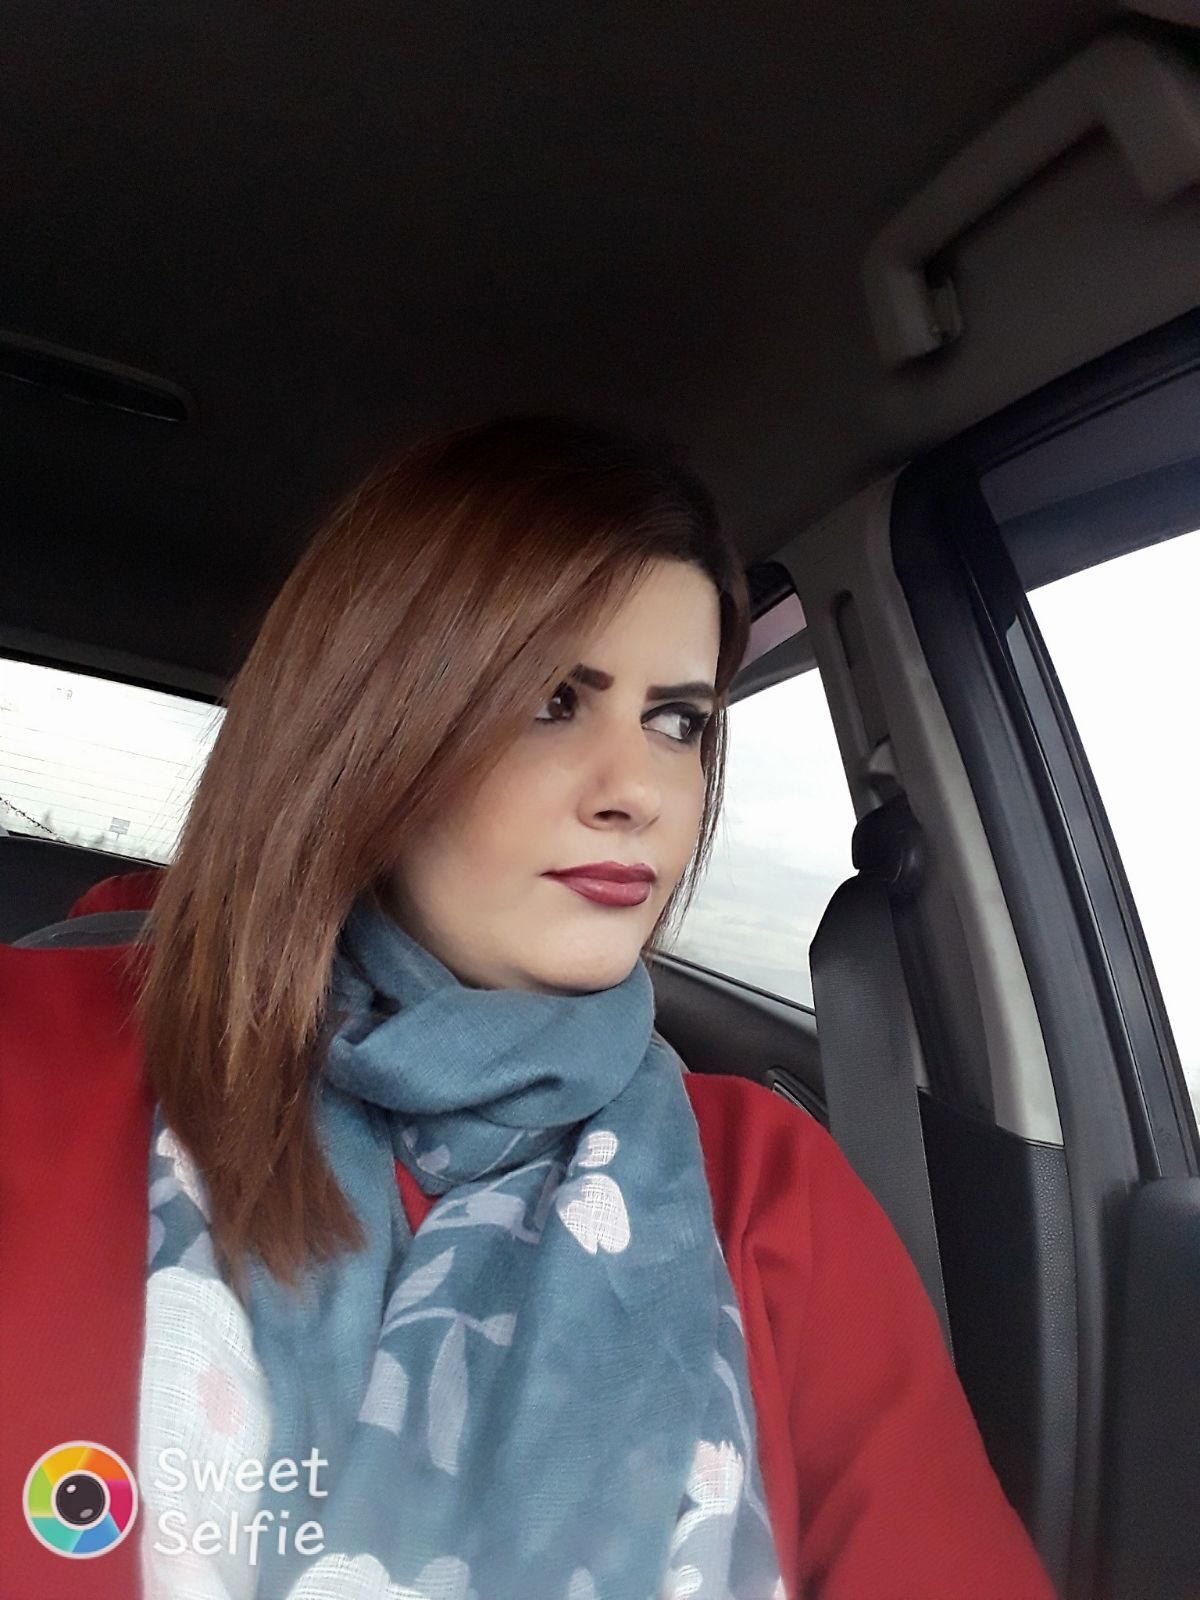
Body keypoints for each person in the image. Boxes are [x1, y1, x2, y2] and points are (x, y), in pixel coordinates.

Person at [0, 416, 1057, 1600]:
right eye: (554, 699)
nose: (637, 790)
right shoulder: (34, 1051)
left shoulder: (764, 1184)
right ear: (369, 728)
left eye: (678, 720)